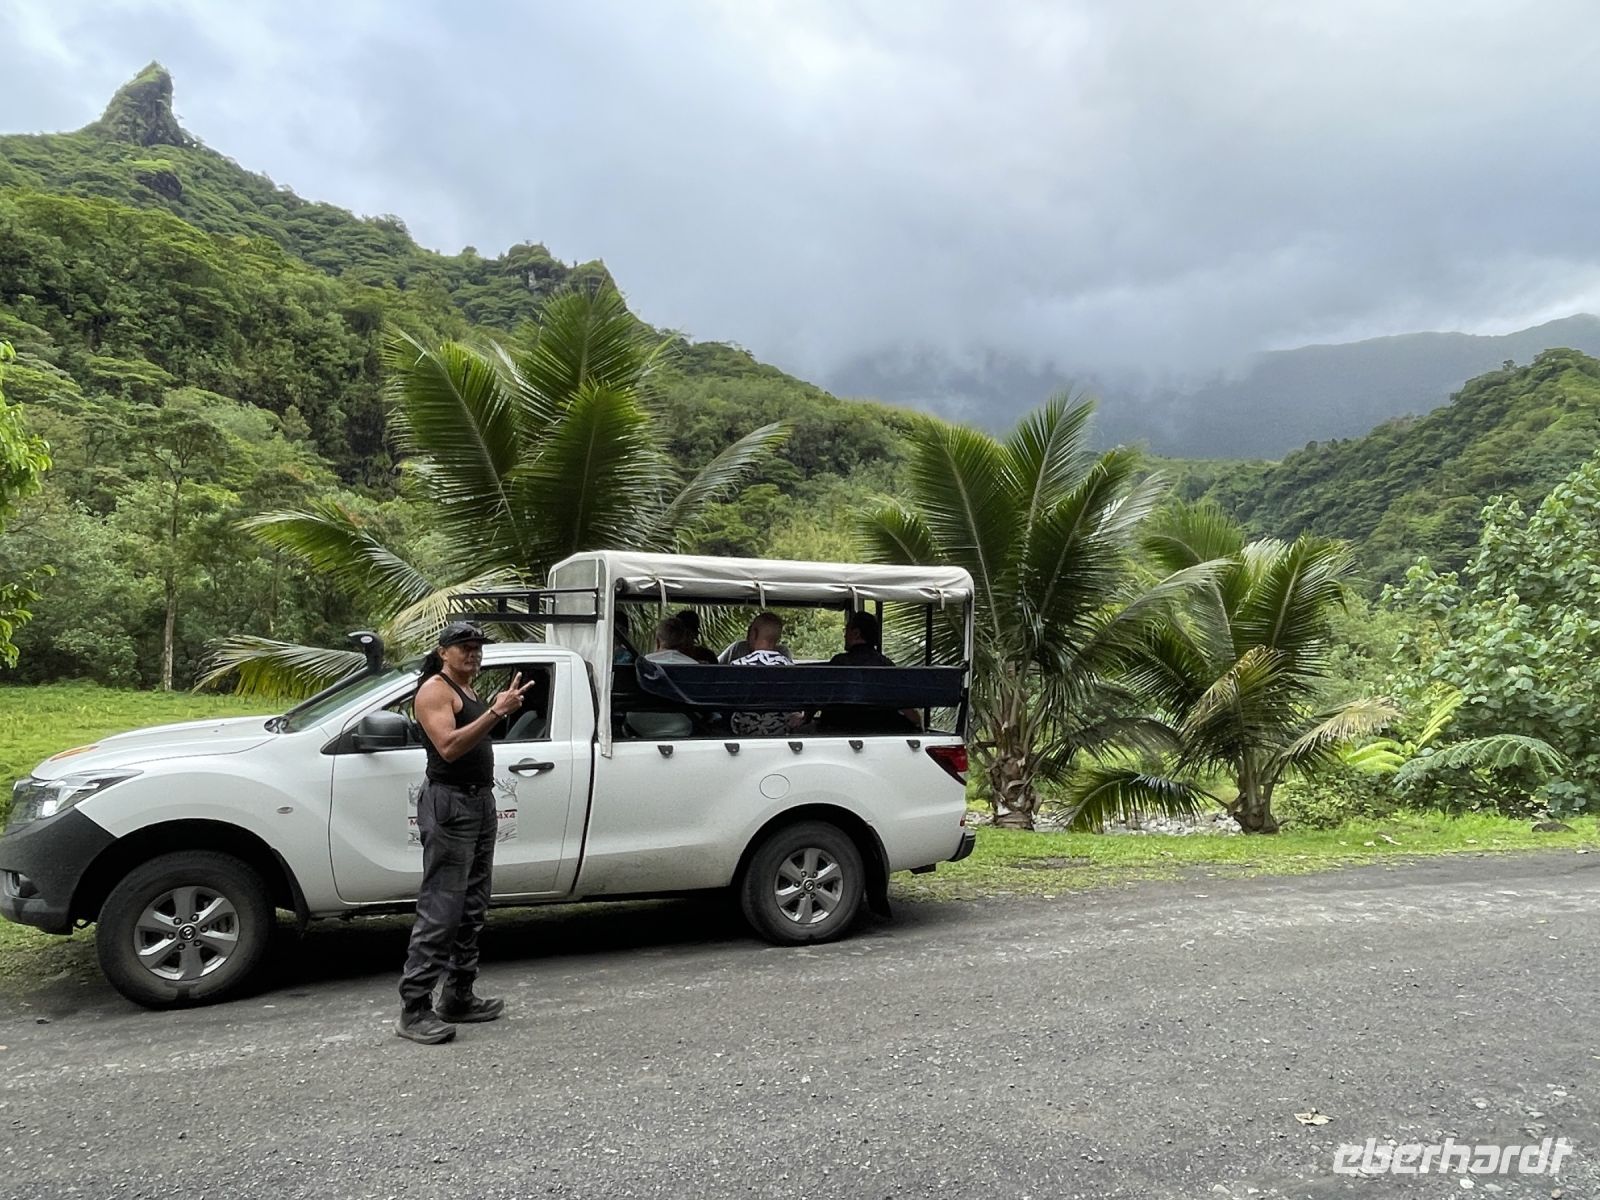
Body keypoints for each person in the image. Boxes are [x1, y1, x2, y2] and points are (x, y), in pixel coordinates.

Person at [397, 621, 537, 1045]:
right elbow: (449, 747)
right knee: (441, 907)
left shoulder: (468, 690)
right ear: (444, 652)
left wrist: (493, 708)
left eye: (477, 647)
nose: (473, 653)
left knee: (473, 904)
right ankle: (414, 1009)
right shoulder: (434, 690)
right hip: (450, 805)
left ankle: (458, 995)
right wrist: (496, 712)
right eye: (464, 647)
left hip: (478, 802)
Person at [819, 609, 921, 733]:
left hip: (839, 727)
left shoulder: (839, 663)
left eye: (846, 631)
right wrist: (917, 721)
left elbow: (820, 697)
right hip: (881, 728)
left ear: (856, 633)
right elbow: (904, 704)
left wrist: (806, 718)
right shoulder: (886, 665)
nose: (844, 635)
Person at [729, 612, 804, 736]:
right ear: (777, 638)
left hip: (743, 731)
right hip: (779, 732)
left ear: (754, 633)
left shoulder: (736, 665)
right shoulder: (790, 668)